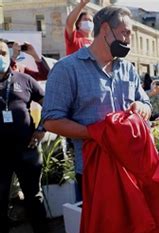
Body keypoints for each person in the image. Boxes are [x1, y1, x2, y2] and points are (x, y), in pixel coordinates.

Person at [41, 6, 152, 202]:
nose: (128, 40)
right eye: (125, 33)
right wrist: (95, 133)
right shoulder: (66, 69)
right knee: (101, 230)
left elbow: (145, 102)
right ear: (106, 29)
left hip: (130, 166)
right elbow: (51, 121)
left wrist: (142, 107)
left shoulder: (128, 69)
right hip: (93, 171)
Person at [0, 41, 58, 233]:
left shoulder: (24, 80)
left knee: (33, 193)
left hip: (27, 148)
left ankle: (41, 230)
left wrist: (42, 129)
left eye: (3, 53)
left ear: (10, 56)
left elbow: (50, 104)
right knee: (0, 197)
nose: (0, 57)